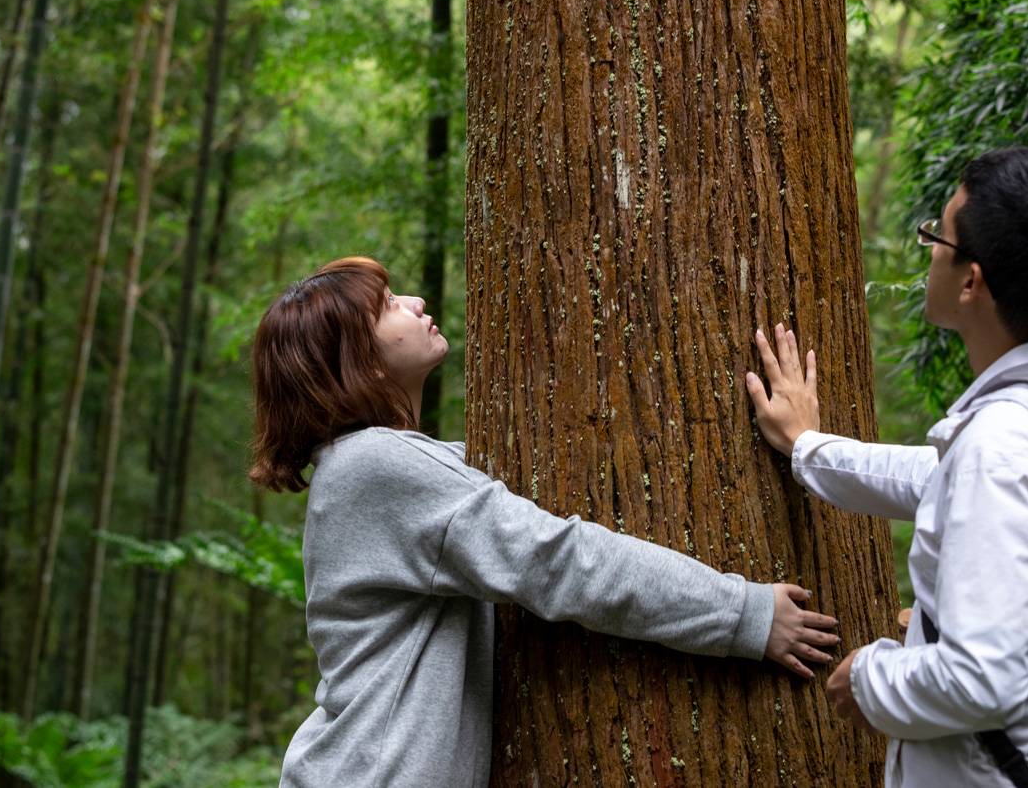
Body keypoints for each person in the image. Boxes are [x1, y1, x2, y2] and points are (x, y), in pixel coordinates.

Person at [251, 256, 839, 788]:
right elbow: (561, 561)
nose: (416, 304)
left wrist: (806, 442)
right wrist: (744, 615)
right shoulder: (377, 467)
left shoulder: (371, 469)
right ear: (360, 363)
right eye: (388, 307)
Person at [746, 146, 1028, 787]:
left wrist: (868, 679)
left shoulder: (1006, 448)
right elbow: (945, 482)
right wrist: (809, 445)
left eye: (936, 235)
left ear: (971, 280)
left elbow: (981, 678)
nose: (929, 249)